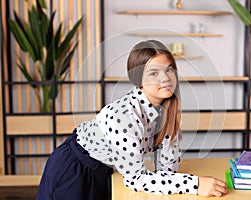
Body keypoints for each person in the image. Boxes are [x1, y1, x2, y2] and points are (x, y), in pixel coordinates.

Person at [36, 40, 228, 200]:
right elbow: (136, 179)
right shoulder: (124, 116)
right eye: (154, 73)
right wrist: (194, 184)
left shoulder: (165, 110)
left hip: (104, 172)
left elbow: (167, 168)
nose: (166, 78)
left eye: (169, 70)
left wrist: (169, 132)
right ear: (138, 78)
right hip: (74, 171)